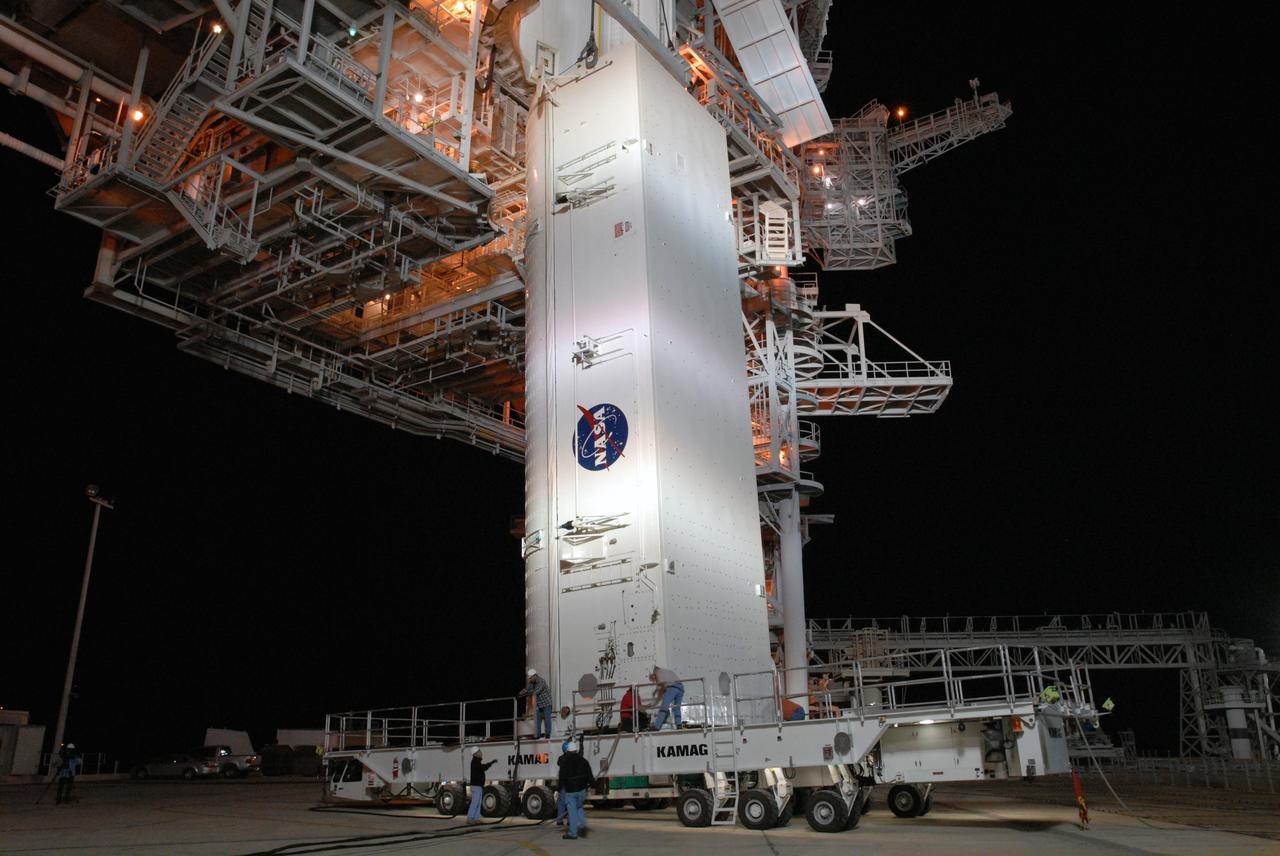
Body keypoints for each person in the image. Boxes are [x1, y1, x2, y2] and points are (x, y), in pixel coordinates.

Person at [556, 739, 593, 839]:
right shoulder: (583, 761)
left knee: (572, 811)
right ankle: (582, 825)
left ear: (567, 751)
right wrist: (592, 784)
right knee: (579, 807)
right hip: (582, 790)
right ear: (576, 750)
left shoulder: (565, 762)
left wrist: (559, 789)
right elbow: (590, 775)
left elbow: (562, 778)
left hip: (571, 791)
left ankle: (573, 833)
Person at [518, 667, 554, 739]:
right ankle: (538, 735)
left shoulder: (542, 681)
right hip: (539, 704)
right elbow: (526, 689)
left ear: (535, 676)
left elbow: (536, 692)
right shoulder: (531, 683)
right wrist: (519, 694)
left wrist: (525, 694)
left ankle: (548, 733)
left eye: (530, 678)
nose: (530, 679)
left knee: (547, 718)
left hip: (547, 703)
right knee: (537, 720)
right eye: (529, 678)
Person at [466, 747, 496, 824]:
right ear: (475, 754)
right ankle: (470, 818)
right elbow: (483, 768)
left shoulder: (476, 762)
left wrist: (490, 763)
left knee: (478, 803)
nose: (481, 753)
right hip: (476, 786)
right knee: (475, 802)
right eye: (479, 751)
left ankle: (476, 818)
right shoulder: (475, 762)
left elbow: (482, 767)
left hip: (478, 786)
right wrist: (490, 763)